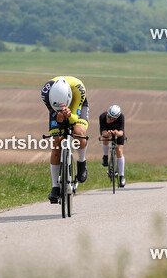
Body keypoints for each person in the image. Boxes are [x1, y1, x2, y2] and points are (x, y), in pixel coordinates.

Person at [41, 76, 89, 204]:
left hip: (76, 105)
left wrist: (70, 115)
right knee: (57, 142)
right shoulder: (45, 93)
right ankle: (55, 186)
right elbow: (54, 116)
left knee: (79, 133)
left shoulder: (78, 89)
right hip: (55, 108)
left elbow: (75, 118)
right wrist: (59, 118)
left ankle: (81, 161)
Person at [99, 104, 126, 188]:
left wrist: (116, 133)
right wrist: (108, 133)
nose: (108, 119)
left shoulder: (121, 117)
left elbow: (121, 132)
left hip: (118, 132)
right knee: (105, 138)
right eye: (108, 116)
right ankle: (105, 156)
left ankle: (122, 176)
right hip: (106, 130)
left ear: (116, 118)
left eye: (111, 118)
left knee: (119, 150)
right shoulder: (102, 116)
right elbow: (103, 132)